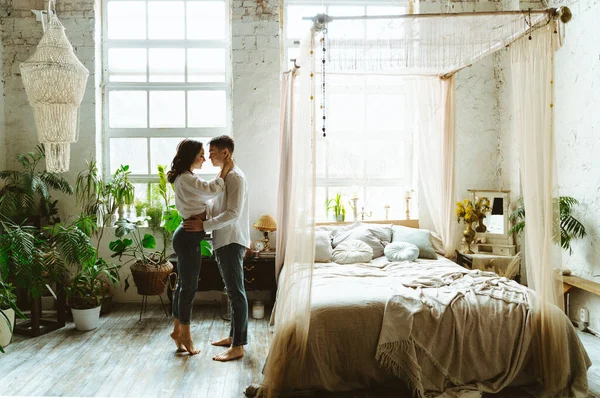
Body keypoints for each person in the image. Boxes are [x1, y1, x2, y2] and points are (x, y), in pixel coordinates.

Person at [184, 135, 250, 362]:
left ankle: (239, 346)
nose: (208, 156)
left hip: (232, 240)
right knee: (231, 291)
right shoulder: (224, 176)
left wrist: (204, 224)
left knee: (236, 293)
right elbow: (214, 205)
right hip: (222, 240)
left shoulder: (236, 177)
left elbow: (233, 214)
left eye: (212, 152)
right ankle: (233, 337)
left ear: (226, 153)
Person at [168, 139, 233, 355]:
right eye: (201, 155)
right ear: (190, 156)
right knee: (189, 288)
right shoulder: (186, 178)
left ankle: (177, 330)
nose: (204, 158)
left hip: (187, 235)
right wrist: (225, 169)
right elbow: (213, 189)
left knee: (182, 286)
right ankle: (186, 335)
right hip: (188, 236)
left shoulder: (186, 178)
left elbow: (206, 191)